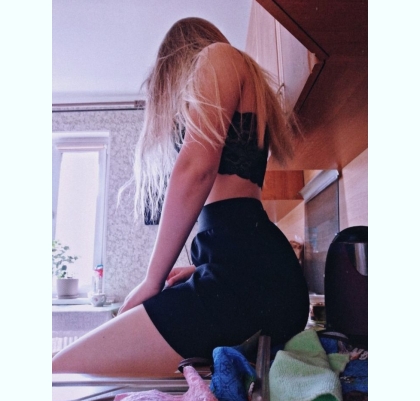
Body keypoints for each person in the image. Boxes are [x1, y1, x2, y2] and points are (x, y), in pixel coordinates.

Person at [52, 17, 309, 376]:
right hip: (256, 277)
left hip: (246, 280)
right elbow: (237, 210)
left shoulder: (217, 56)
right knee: (70, 370)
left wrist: (151, 280)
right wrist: (203, 267)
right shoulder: (243, 80)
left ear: (176, 63)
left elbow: (196, 169)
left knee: (62, 369)